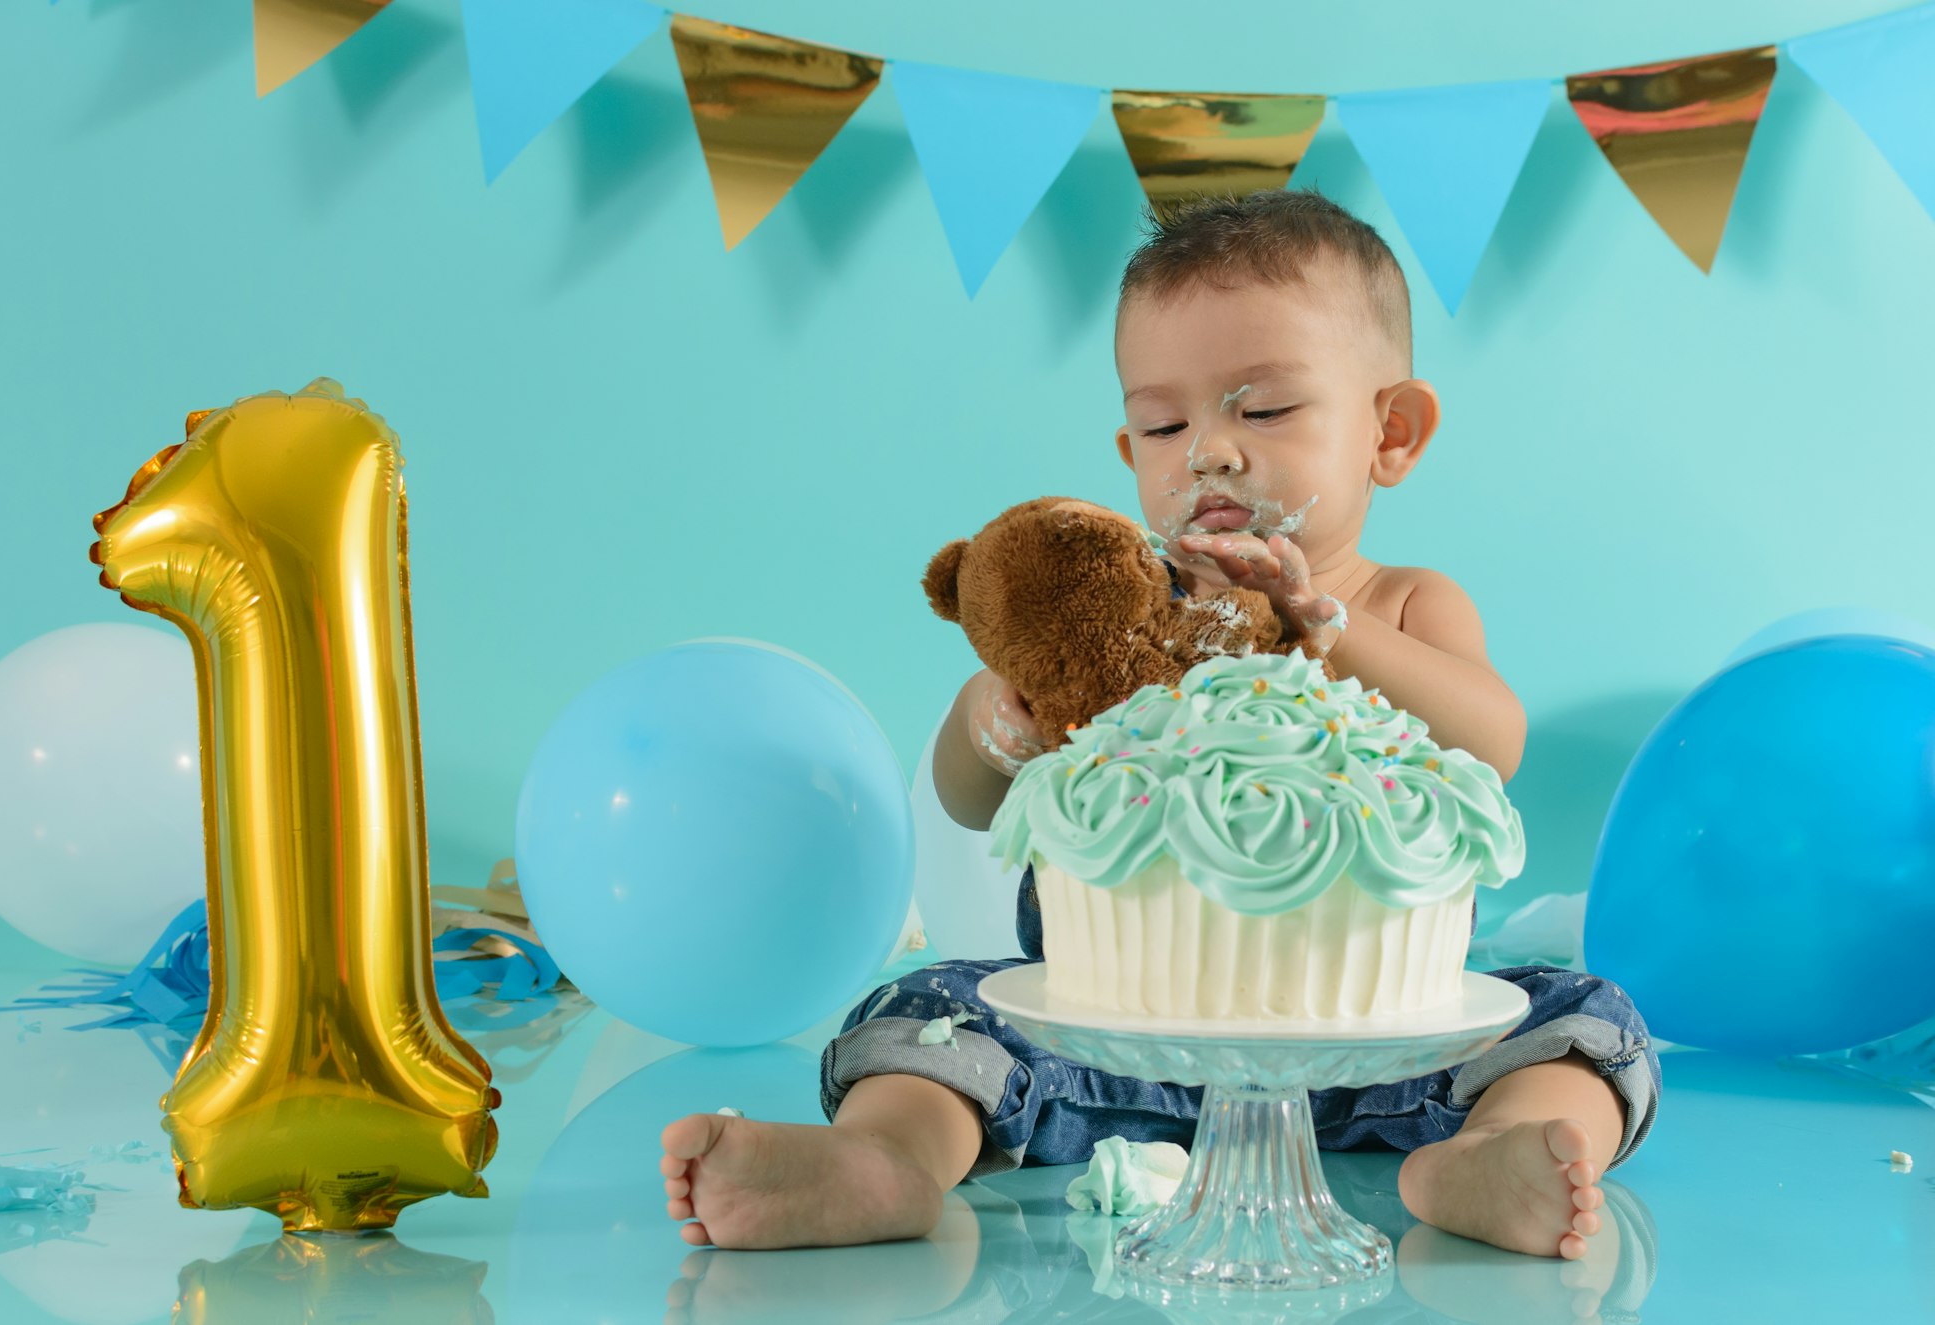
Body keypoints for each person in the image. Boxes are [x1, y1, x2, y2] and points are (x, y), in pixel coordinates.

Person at [658, 188, 1659, 1261]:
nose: (1209, 452)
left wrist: (1321, 625)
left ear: (1391, 431)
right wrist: (998, 717)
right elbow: (965, 796)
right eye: (1164, 423)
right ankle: (890, 1158)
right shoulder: (1126, 621)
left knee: (1581, 1019)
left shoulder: (1398, 604)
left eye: (1262, 410)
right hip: (1103, 1039)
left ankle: (1488, 1154)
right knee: (924, 1014)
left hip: (1374, 1042)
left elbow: (1489, 740)